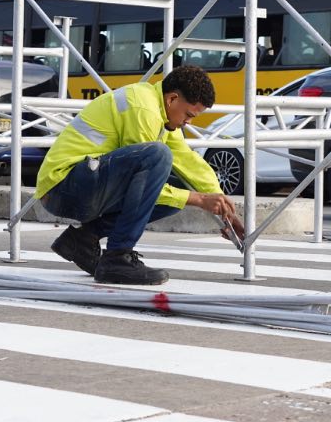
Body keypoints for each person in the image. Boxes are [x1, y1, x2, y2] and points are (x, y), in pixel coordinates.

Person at [36, 65, 244, 286]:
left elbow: (188, 161)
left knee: (177, 186)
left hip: (82, 185)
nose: (188, 122)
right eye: (189, 115)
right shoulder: (142, 109)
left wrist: (223, 208)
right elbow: (143, 178)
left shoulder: (161, 114)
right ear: (172, 99)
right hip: (62, 187)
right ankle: (118, 257)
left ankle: (82, 240)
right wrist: (199, 200)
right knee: (159, 155)